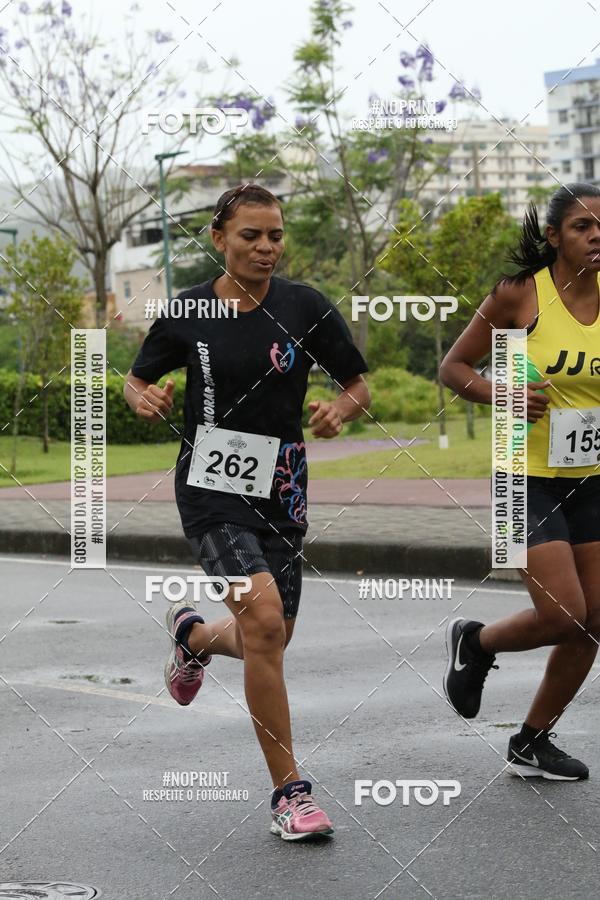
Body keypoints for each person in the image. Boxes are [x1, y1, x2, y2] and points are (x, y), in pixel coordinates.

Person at [123, 184, 370, 838]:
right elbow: (136, 377)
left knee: (271, 635)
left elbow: (356, 381)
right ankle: (290, 793)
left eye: (275, 236)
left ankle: (193, 638)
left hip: (283, 486)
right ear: (218, 239)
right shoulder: (190, 311)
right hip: (211, 486)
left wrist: (340, 410)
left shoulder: (305, 305)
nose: (265, 247)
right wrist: (140, 397)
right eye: (250, 236)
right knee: (262, 621)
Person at [439, 182, 600, 780]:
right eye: (583, 227)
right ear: (555, 237)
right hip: (522, 473)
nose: (596, 237)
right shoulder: (519, 297)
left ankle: (532, 741)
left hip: (592, 476)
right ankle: (476, 643)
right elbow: (453, 367)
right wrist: (500, 389)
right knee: (564, 614)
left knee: (596, 620)